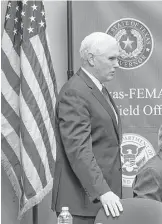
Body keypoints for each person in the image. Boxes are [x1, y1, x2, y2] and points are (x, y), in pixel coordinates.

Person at [51, 32, 123, 224]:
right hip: (81, 203)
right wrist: (103, 191)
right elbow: (78, 149)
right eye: (111, 58)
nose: (117, 64)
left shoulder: (97, 88)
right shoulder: (75, 92)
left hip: (102, 202)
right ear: (91, 58)